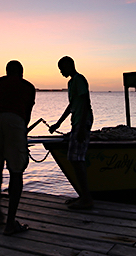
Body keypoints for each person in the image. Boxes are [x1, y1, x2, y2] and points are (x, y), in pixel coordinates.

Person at [0, 60, 36, 235]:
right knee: (16, 171)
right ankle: (10, 223)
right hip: (15, 121)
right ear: (21, 73)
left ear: (6, 72)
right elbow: (27, 114)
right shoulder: (27, 86)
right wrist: (21, 132)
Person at [48, 56, 94, 210]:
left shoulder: (79, 79)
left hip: (82, 122)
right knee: (74, 159)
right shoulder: (71, 82)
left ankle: (86, 199)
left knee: (76, 159)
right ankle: (83, 196)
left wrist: (81, 128)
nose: (60, 71)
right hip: (77, 122)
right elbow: (72, 106)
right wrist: (58, 124)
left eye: (62, 68)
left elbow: (86, 102)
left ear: (69, 65)